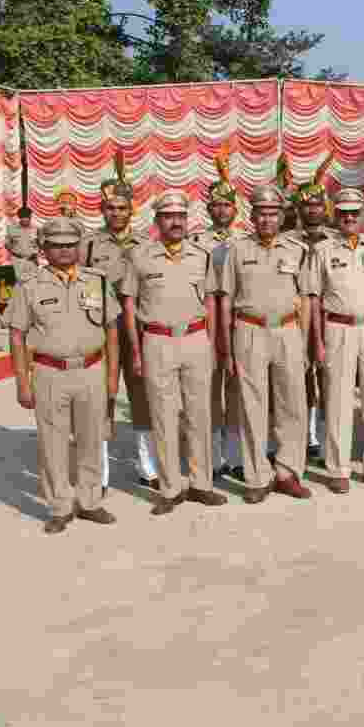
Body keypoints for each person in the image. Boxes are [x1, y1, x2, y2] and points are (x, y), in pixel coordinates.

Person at [7, 218, 120, 534]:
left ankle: (89, 502)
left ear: (79, 246)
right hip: (49, 373)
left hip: (92, 371)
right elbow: (17, 335)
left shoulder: (96, 281)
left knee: (91, 440)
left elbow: (112, 331)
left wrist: (112, 377)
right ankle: (59, 506)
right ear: (44, 249)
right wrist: (22, 382)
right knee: (52, 443)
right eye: (56, 245)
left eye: (71, 244)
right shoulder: (29, 285)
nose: (65, 251)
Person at [122, 190, 225, 514]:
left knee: (199, 415)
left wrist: (210, 341)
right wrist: (136, 352)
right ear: (157, 221)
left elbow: (210, 300)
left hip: (195, 339)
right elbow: (129, 305)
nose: (175, 222)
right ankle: (169, 488)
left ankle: (201, 484)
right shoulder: (139, 256)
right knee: (163, 416)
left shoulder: (200, 255)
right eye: (168, 216)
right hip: (157, 340)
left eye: (180, 216)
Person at [217, 184, 313, 503]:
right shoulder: (236, 250)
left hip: (288, 331)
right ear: (252, 216)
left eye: (273, 213)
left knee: (292, 405)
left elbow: (306, 298)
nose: (267, 219)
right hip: (249, 331)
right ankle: (257, 475)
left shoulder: (297, 249)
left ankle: (287, 472)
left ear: (281, 216)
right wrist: (227, 347)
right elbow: (226, 300)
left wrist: (306, 340)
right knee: (251, 405)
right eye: (261, 213)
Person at [306, 187, 364, 493]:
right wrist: (317, 341)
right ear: (336, 214)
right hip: (338, 329)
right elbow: (314, 299)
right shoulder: (322, 251)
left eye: (354, 213)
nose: (348, 217)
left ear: (362, 216)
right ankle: (338, 468)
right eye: (343, 212)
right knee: (338, 400)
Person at [79, 163, 160, 491]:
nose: (116, 213)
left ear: (132, 210)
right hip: (102, 331)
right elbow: (82, 287)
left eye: (122, 207)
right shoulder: (89, 245)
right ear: (102, 209)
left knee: (142, 398)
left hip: (138, 330)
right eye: (110, 207)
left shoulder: (145, 244)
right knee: (102, 399)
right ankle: (100, 473)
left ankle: (148, 467)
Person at [193, 147, 244, 480]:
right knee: (208, 392)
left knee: (238, 391)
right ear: (209, 208)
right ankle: (211, 459)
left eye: (227, 204)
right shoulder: (196, 241)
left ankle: (238, 458)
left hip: (240, 324)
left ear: (235, 209)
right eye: (217, 205)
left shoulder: (247, 241)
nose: (222, 210)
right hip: (207, 325)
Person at [294, 157, 336, 462]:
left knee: (328, 377)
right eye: (307, 205)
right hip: (295, 315)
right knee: (298, 375)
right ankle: (305, 435)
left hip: (327, 315)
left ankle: (325, 437)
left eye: (317, 205)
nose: (312, 210)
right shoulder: (287, 241)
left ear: (325, 208)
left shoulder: (336, 240)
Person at [7, 206, 41, 282]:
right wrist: (14, 253)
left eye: (27, 218)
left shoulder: (36, 228)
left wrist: (37, 253)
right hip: (18, 260)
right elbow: (7, 244)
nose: (25, 220)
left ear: (30, 217)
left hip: (32, 260)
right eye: (23, 218)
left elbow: (41, 243)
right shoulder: (12, 229)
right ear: (19, 217)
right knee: (21, 283)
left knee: (34, 282)